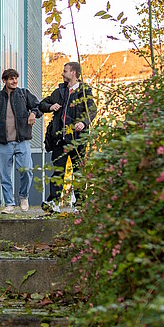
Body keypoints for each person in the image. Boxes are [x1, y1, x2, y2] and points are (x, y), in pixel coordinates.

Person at [39, 61, 97, 213]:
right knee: (58, 172)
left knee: (78, 171)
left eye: (65, 71)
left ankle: (80, 204)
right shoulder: (60, 91)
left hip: (78, 140)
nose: (62, 73)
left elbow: (92, 110)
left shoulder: (84, 91)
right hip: (60, 140)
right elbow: (42, 104)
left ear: (73, 73)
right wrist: (50, 106)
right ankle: (53, 203)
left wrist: (84, 123)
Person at [0, 68, 41, 214]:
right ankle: (9, 203)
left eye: (16, 78)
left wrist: (33, 113)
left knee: (27, 171)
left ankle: (23, 196)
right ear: (4, 80)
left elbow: (38, 106)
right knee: (5, 175)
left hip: (22, 141)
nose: (14, 81)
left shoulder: (24, 94)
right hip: (4, 143)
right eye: (11, 78)